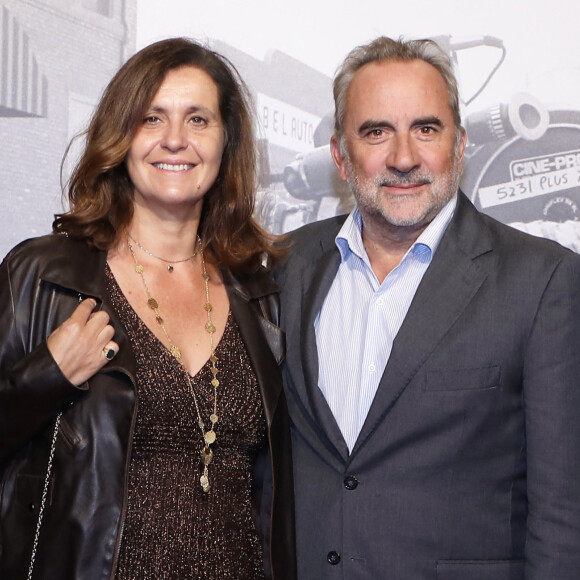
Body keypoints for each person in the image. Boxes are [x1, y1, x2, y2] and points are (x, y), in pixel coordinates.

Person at [273, 36, 580, 579]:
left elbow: (563, 512)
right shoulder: (284, 267)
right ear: (341, 156)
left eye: (426, 129)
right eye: (376, 132)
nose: (404, 158)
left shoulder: (542, 280)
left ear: (461, 146)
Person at [0, 38, 295, 580]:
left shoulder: (258, 293)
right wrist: (45, 377)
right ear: (122, 136)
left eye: (198, 119)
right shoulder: (45, 276)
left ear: (225, 142)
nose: (176, 140)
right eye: (152, 118)